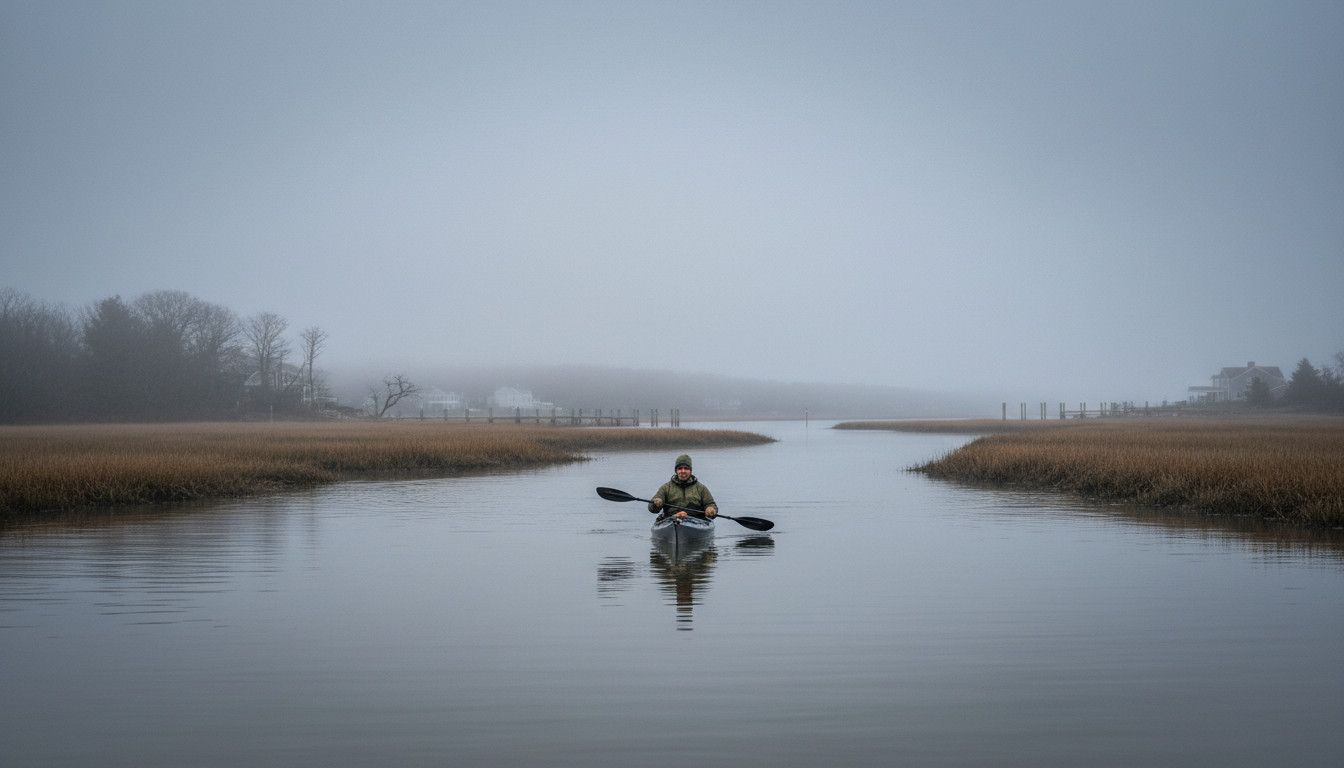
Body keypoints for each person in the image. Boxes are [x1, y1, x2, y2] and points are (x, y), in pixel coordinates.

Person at [648, 454, 718, 520]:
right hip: (671, 520)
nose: (683, 471)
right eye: (680, 468)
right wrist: (655, 503)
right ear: (676, 471)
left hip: (696, 521)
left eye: (686, 468)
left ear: (690, 471)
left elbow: (711, 504)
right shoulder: (666, 488)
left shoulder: (701, 488)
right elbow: (652, 509)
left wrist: (711, 509)